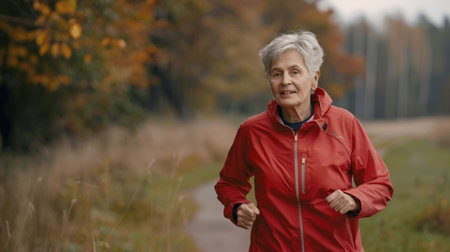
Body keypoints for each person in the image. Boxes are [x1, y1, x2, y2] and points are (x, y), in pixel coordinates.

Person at [214, 30, 393, 251]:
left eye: (295, 72)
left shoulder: (344, 124)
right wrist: (237, 206)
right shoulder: (252, 131)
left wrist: (355, 199)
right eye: (276, 73)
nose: (285, 81)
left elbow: (380, 184)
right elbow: (228, 183)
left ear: (314, 79)